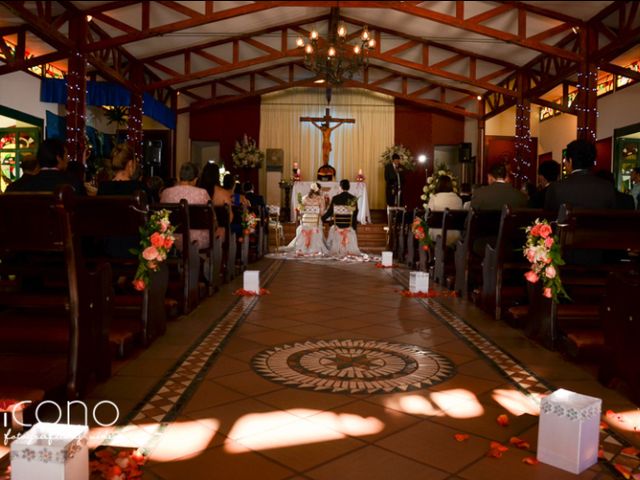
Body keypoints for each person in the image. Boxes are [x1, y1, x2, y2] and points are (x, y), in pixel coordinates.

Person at [544, 139, 616, 212]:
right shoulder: (607, 187)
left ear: (571, 161)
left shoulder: (555, 188)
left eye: (565, 160)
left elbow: (548, 219)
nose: (565, 163)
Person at [160, 162, 212, 250]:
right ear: (195, 179)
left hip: (171, 239)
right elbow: (211, 218)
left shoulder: (166, 192)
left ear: (179, 177)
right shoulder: (202, 193)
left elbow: (161, 216)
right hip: (198, 240)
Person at [6, 139, 86, 195]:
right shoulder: (73, 184)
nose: (68, 159)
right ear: (58, 158)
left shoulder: (16, 187)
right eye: (66, 155)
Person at [282, 182, 328, 256]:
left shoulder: (304, 198)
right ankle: (315, 248)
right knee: (318, 222)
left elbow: (300, 211)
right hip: (315, 222)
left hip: (305, 221)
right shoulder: (321, 199)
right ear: (318, 190)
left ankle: (302, 247)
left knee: (305, 223)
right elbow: (321, 213)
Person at [427, 175, 463, 246]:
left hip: (437, 234)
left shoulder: (434, 198)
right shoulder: (458, 199)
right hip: (455, 235)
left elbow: (428, 217)